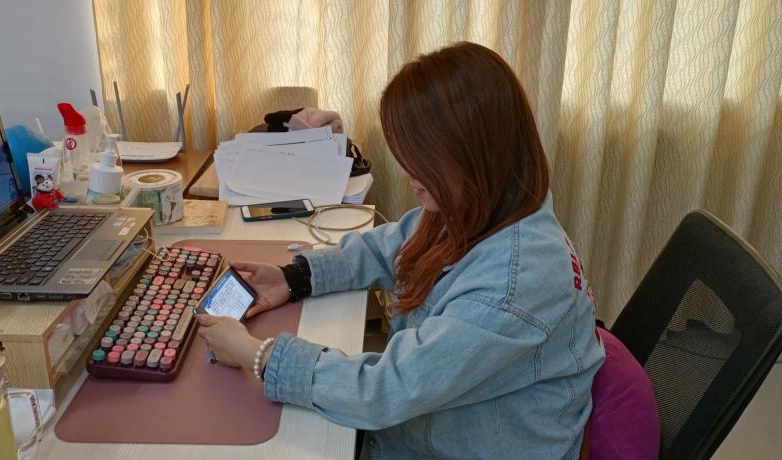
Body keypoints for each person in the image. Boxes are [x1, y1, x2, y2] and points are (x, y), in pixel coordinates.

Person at [197, 41, 604, 459]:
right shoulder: (487, 203)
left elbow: (386, 391)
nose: (407, 170)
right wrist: (296, 277)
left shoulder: (512, 283)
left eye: (421, 156)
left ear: (474, 153)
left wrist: (258, 355)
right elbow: (391, 246)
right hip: (432, 426)